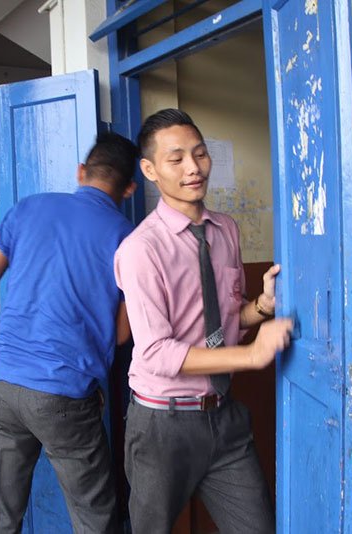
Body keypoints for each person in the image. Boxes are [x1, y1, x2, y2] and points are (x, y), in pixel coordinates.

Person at [114, 109, 293, 534]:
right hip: (163, 424)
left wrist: (263, 306)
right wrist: (251, 356)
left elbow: (227, 318)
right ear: (150, 170)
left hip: (224, 419)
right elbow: (157, 353)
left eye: (200, 154)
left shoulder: (226, 230)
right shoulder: (141, 249)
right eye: (176, 159)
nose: (193, 168)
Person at [0, 132, 139, 534]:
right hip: (64, 392)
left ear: (81, 172)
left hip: (3, 383)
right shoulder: (128, 238)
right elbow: (121, 335)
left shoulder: (28, 209)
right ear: (129, 189)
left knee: (3, 516)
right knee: (93, 517)